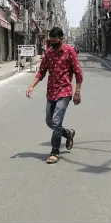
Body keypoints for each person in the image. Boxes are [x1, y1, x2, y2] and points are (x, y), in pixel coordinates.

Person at [26, 27, 83, 164]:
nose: (53, 44)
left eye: (55, 41)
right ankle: (68, 134)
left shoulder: (70, 52)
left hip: (65, 91)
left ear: (61, 39)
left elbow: (78, 73)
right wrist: (32, 85)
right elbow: (41, 72)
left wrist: (77, 92)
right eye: (51, 41)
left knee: (56, 121)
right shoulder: (48, 53)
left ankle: (54, 151)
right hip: (51, 92)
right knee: (49, 121)